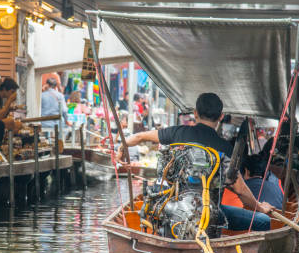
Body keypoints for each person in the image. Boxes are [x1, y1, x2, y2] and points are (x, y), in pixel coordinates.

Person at [117, 92, 275, 231]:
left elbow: (139, 137)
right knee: (264, 221)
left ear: (195, 113)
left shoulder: (177, 132)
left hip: (171, 210)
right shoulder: (225, 148)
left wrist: (121, 147)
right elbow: (240, 189)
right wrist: (260, 207)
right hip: (209, 214)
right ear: (221, 116)